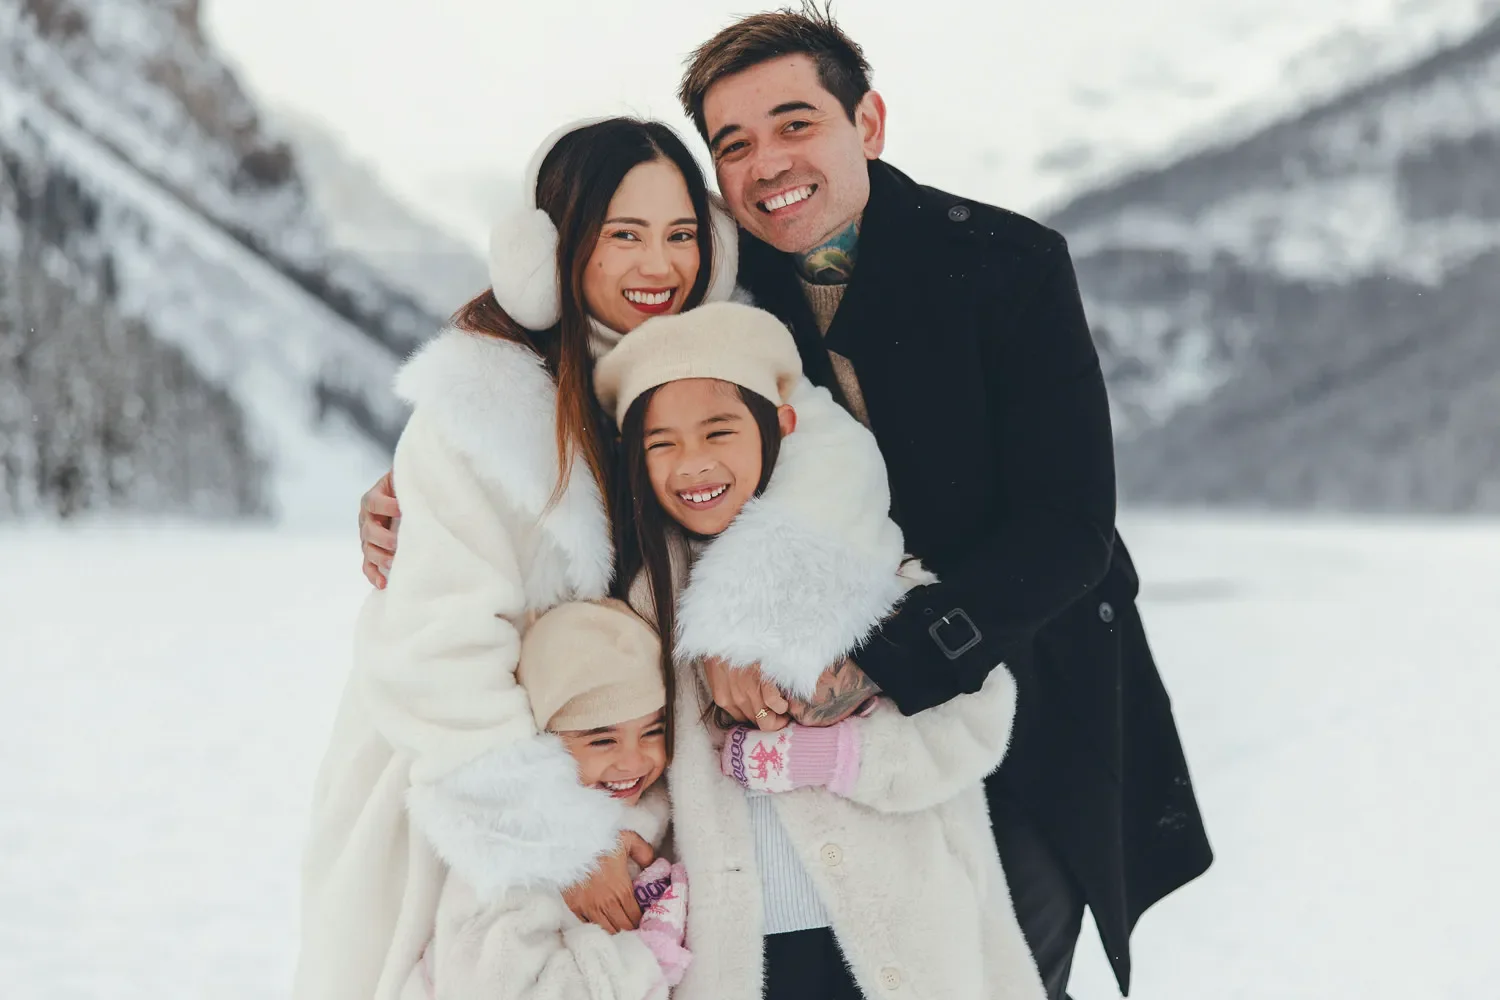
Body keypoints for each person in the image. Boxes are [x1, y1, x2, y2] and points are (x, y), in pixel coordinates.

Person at [360, 8, 1214, 996]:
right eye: (735, 143)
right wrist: (404, 493)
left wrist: (840, 649)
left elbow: (1067, 528)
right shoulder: (720, 290)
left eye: (795, 123)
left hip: (1018, 680)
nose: (768, 161)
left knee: (994, 963)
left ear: (869, 123)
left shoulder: (1003, 265)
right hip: (797, 760)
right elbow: (570, 394)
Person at [296, 116, 741, 1000]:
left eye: (682, 234)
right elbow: (435, 655)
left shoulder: (707, 388)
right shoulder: (479, 421)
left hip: (652, 802)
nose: (660, 266)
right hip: (475, 816)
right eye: (624, 234)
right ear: (550, 248)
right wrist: (553, 841)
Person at [595, 300, 1045, 1000]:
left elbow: (979, 721)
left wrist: (833, 757)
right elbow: (636, 759)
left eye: (719, 430)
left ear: (780, 427)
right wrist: (616, 840)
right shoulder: (646, 608)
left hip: (900, 934)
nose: (694, 465)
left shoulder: (866, 565)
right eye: (661, 444)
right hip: (742, 953)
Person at [410, 598, 691, 1000]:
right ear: (547, 742)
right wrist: (648, 959)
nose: (633, 760)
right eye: (602, 739)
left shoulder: (658, 807)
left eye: (652, 731)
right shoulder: (514, 846)